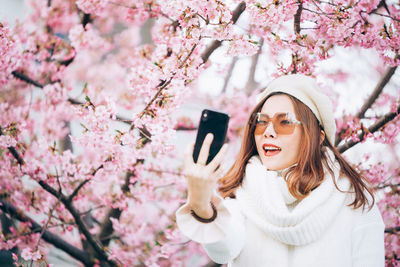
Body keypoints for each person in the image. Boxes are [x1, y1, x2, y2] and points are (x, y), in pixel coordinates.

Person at [176, 74, 385, 267]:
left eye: (284, 122)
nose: (268, 131)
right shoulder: (243, 195)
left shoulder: (354, 200)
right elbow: (222, 248)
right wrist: (200, 201)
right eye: (261, 122)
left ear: (317, 137)